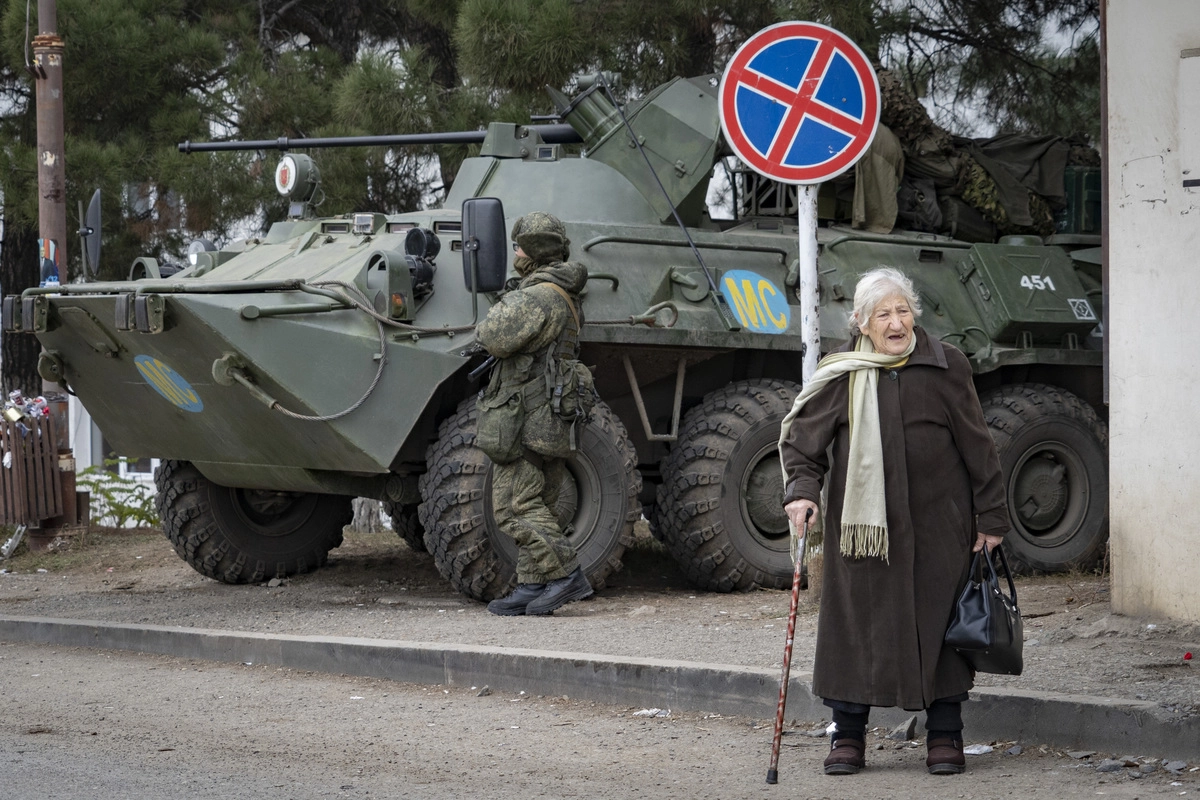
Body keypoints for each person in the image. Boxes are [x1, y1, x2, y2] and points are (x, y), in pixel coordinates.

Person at [777, 266, 1008, 776]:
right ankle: (848, 736)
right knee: (854, 628)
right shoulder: (843, 372)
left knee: (942, 626)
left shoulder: (946, 365)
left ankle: (945, 734)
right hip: (863, 536)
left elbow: (979, 447)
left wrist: (990, 518)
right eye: (883, 313)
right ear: (862, 322)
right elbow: (803, 445)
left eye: (903, 310)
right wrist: (801, 493)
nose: (896, 321)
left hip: (938, 530)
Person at [474, 212, 594, 617]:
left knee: (512, 506)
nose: (516, 254)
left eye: (520, 246)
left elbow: (493, 336)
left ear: (536, 251)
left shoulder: (538, 296)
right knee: (539, 499)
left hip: (527, 417)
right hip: (551, 416)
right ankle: (532, 583)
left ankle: (566, 574)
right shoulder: (563, 293)